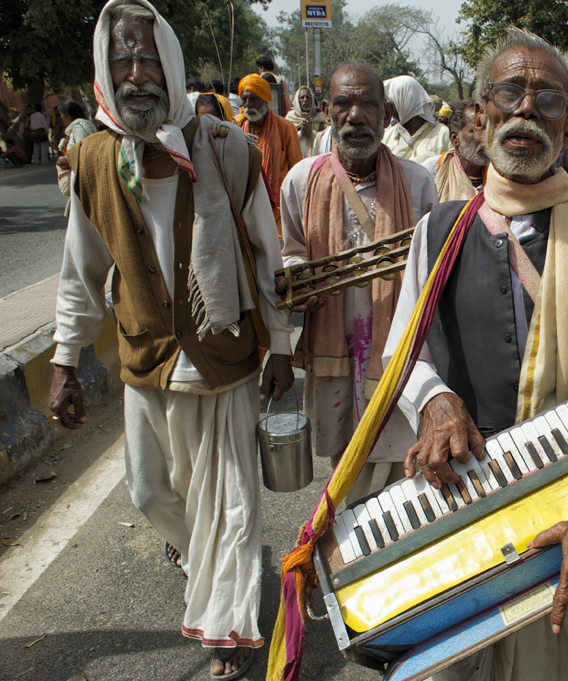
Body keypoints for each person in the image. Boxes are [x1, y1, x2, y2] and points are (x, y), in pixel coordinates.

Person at [384, 26, 568, 681]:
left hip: (566, 498)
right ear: (482, 111)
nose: (525, 110)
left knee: (543, 661)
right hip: (460, 490)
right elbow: (403, 350)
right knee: (448, 662)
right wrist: (433, 400)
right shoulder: (439, 229)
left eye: (546, 99)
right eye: (510, 93)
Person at [48, 1, 294, 678]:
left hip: (223, 355)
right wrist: (65, 357)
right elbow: (81, 268)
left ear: (173, 62)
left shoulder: (228, 148)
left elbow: (269, 255)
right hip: (147, 356)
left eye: (148, 56)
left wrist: (283, 345)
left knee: (229, 499)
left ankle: (227, 632)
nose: (136, 73)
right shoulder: (95, 159)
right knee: (150, 492)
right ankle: (221, 568)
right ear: (105, 65)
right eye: (122, 58)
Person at [279, 62, 437, 477]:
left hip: (395, 344)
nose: (356, 116)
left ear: (386, 114)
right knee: (343, 461)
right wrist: (301, 279)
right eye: (344, 104)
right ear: (327, 112)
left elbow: (432, 272)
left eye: (368, 104)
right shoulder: (301, 181)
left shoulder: (417, 183)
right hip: (333, 340)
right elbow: (291, 251)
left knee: (397, 463)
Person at [236, 73, 302, 233]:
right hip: (246, 209)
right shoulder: (236, 128)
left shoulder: (285, 128)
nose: (248, 104)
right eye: (244, 100)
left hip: (278, 212)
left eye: (253, 99)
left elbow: (297, 172)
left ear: (265, 99)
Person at [421, 99, 488, 201]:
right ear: (454, 138)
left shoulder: (499, 174)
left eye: (487, 130)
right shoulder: (433, 169)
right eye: (474, 131)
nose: (484, 137)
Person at [381, 75, 451, 163]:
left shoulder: (443, 134)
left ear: (407, 101)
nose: (389, 108)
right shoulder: (388, 137)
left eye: (393, 102)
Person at [55, 100, 97, 214]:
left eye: (61, 114)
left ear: (67, 115)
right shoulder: (78, 127)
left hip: (81, 174)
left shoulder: (78, 128)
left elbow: (84, 150)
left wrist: (67, 159)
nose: (61, 117)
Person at [285, 85, 327, 158]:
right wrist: (301, 133)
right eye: (302, 97)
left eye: (308, 97)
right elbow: (285, 141)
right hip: (295, 162)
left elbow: (326, 141)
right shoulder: (290, 118)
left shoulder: (321, 118)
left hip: (316, 160)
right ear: (297, 100)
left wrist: (311, 133)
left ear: (312, 100)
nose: (305, 100)